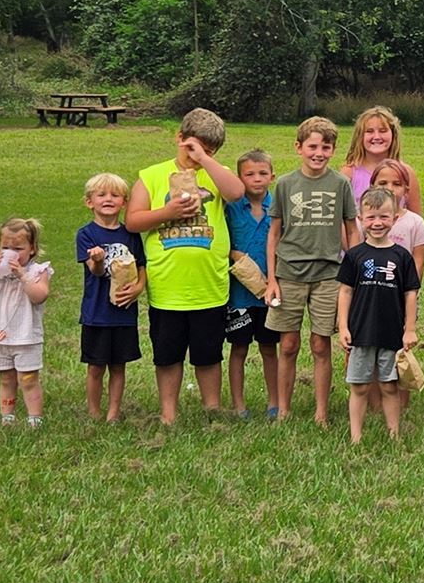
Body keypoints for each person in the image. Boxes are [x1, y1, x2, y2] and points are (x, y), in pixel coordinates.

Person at [127, 108, 244, 427]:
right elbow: (133, 220)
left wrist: (206, 161)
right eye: (194, 146)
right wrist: (168, 212)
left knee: (208, 354)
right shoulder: (151, 175)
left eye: (210, 150)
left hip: (209, 286)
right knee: (168, 355)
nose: (199, 155)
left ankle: (212, 408)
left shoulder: (215, 174)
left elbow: (236, 193)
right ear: (179, 138)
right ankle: (168, 412)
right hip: (167, 288)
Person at [265, 116, 353, 426]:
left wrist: (352, 270)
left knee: (320, 343)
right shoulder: (286, 184)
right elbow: (274, 233)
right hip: (289, 273)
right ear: (299, 147)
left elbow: (351, 229)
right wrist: (272, 279)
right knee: (288, 344)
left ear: (333, 150)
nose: (318, 153)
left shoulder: (340, 184)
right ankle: (284, 410)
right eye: (312, 146)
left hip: (329, 274)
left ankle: (321, 413)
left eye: (325, 147)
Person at [337, 186, 420, 444]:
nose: (377, 223)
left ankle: (394, 434)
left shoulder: (402, 256)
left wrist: (409, 329)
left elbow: (410, 294)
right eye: (371, 217)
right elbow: (345, 292)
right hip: (361, 331)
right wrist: (343, 326)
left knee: (389, 385)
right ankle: (355, 436)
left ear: (395, 219)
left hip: (391, 332)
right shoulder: (354, 256)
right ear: (361, 219)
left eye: (384, 216)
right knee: (359, 386)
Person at [0, 216, 56, 428]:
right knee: (6, 378)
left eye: (18, 248)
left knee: (28, 379)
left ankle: (35, 419)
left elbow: (39, 296)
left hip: (26, 335)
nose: (12, 252)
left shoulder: (38, 271)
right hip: (0, 334)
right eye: (6, 247)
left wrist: (22, 276)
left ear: (32, 249)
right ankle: (7, 417)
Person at [75, 173, 144, 423]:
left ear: (124, 203)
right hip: (96, 313)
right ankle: (94, 411)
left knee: (118, 365)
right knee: (95, 367)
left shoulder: (131, 235)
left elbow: (142, 266)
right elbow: (94, 271)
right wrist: (97, 260)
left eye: (115, 195)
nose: (108, 199)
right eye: (101, 195)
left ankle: (113, 412)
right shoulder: (86, 235)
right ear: (89, 202)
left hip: (124, 313)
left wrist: (139, 288)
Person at [221, 148, 279, 417]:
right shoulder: (231, 208)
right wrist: (233, 252)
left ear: (272, 176)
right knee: (239, 347)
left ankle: (274, 402)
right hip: (239, 293)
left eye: (262, 173)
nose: (257, 179)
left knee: (269, 347)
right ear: (239, 178)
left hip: (270, 290)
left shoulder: (278, 206)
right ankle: (239, 404)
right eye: (249, 174)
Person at [373, 158, 424, 424]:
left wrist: (409, 291)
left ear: (407, 190)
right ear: (371, 187)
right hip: (371, 295)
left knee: (400, 350)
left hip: (403, 296)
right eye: (383, 183)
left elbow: (418, 262)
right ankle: (375, 404)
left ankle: (402, 403)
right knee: (372, 346)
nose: (390, 188)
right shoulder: (367, 221)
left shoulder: (414, 222)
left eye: (397, 184)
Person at [345, 105, 416, 212]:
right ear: (360, 136)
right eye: (369, 131)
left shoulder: (406, 172)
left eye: (383, 131)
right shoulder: (349, 172)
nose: (377, 137)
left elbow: (417, 220)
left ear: (393, 135)